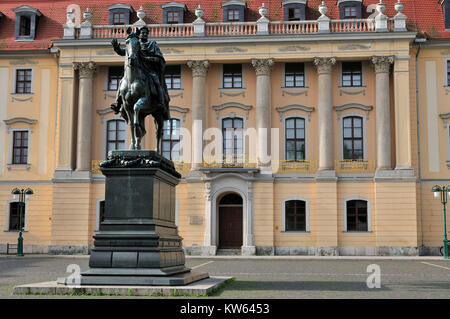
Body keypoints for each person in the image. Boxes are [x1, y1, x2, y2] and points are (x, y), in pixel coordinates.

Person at [110, 26, 170, 118]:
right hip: (138, 70)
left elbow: (159, 59)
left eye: (146, 33)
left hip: (149, 71)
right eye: (143, 33)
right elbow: (125, 52)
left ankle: (161, 103)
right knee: (122, 81)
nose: (144, 34)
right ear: (139, 34)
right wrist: (116, 49)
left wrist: (146, 58)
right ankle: (117, 103)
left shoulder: (152, 45)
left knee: (156, 81)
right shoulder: (134, 45)